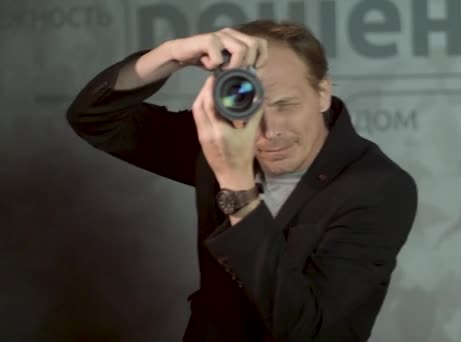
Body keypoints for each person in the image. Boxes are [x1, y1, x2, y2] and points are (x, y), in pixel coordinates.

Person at [66, 19, 418, 342]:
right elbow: (94, 118)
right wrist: (171, 55)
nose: (268, 132)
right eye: (251, 106)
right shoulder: (222, 139)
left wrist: (237, 187)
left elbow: (311, 334)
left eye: (285, 104)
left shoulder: (379, 187)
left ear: (322, 92)